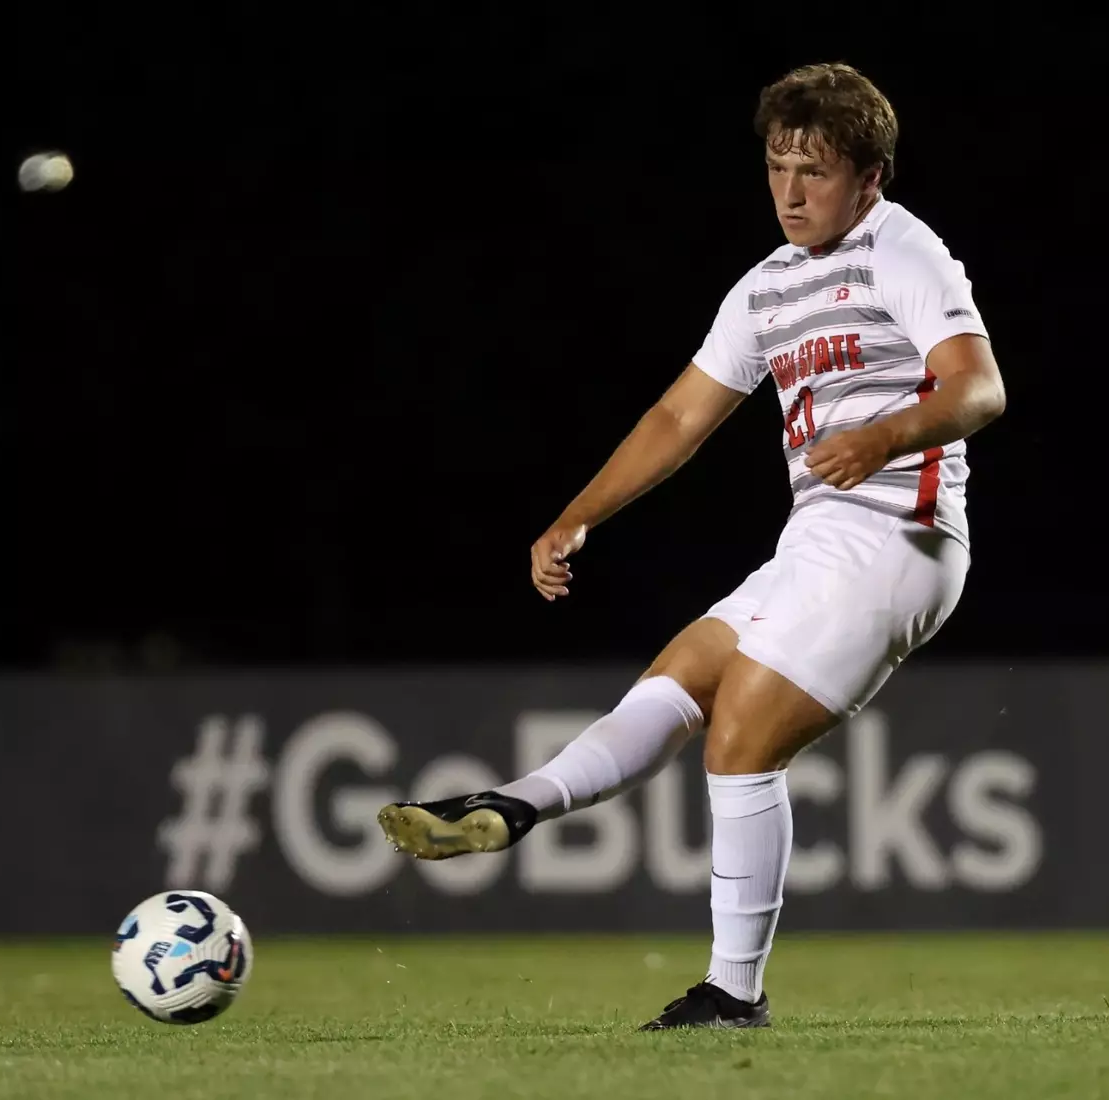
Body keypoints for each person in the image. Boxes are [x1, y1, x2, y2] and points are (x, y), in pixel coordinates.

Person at [376, 61, 1006, 1030]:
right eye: (776, 166)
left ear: (870, 176)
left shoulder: (902, 250)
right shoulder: (766, 288)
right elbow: (678, 415)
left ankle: (732, 993)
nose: (791, 192)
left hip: (903, 536)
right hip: (819, 539)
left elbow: (978, 388)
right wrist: (575, 513)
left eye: (816, 171)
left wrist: (882, 435)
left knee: (741, 733)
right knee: (681, 677)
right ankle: (513, 805)